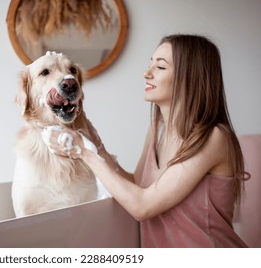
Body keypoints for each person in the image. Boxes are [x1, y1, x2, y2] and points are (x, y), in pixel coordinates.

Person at [42, 34, 249, 248]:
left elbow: (142, 207)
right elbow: (136, 186)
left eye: (160, 67)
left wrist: (84, 152)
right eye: (150, 64)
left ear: (190, 76)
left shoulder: (213, 138)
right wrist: (98, 146)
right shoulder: (157, 129)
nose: (146, 73)